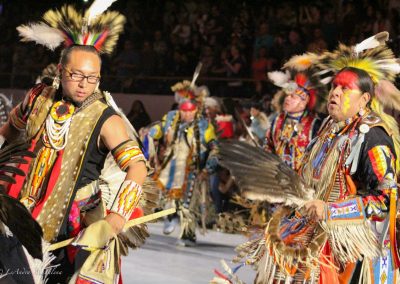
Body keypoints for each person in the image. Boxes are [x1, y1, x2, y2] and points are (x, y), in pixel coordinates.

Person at [218, 33, 400, 283]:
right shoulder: (328, 127)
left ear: (364, 99)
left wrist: (331, 210)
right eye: (334, 85)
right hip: (313, 236)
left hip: (349, 251)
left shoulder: (373, 137)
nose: (335, 92)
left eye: (345, 88)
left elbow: (387, 199)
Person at [5, 4, 148, 283]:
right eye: (76, 75)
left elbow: (137, 167)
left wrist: (114, 222)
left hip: (69, 233)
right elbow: (10, 131)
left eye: (92, 77)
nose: (85, 84)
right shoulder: (38, 98)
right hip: (17, 218)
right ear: (60, 70)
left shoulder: (107, 119)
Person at [149, 78, 218, 246]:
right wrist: (151, 134)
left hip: (192, 170)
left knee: (188, 204)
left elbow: (215, 149)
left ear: (197, 109)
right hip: (170, 167)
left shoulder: (204, 126)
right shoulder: (171, 119)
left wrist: (208, 168)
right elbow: (157, 131)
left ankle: (187, 233)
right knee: (169, 198)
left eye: (191, 111)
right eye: (184, 110)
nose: (187, 114)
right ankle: (170, 216)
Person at [265, 56, 323, 171]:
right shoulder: (278, 120)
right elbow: (268, 145)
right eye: (287, 95)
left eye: (293, 97)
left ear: (304, 102)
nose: (287, 98)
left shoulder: (314, 125)